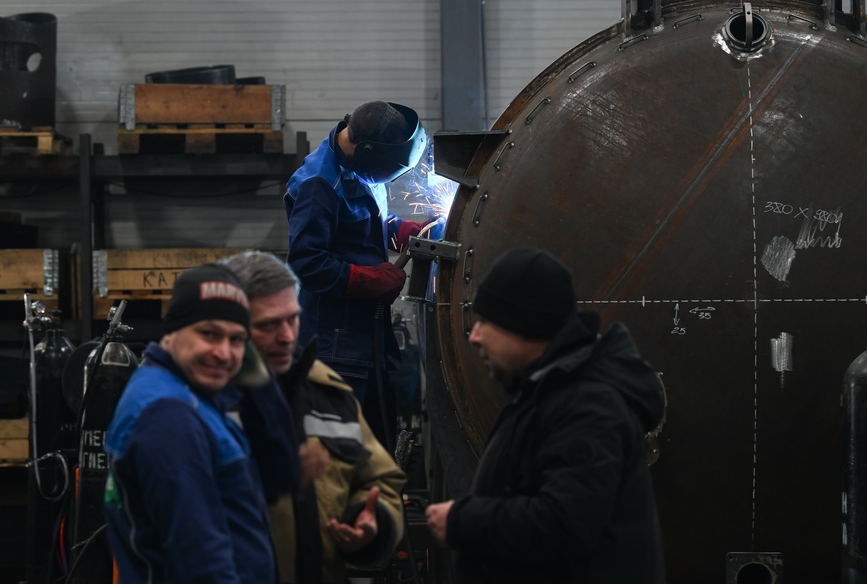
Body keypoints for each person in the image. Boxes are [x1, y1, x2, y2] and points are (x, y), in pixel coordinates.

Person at [424, 248, 667, 583]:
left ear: (523, 325)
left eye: (486, 322)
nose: (474, 336)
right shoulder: (550, 391)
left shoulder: (587, 405)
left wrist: (462, 521)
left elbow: (565, 522)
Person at [103, 263, 300, 584]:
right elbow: (200, 561)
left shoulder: (189, 394)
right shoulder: (170, 417)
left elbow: (279, 478)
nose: (223, 352)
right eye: (209, 333)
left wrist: (259, 383)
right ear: (173, 330)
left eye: (237, 340)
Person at [223, 250, 408, 584]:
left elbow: (380, 479)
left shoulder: (326, 392)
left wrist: (370, 519)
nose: (287, 336)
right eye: (268, 324)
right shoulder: (200, 401)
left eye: (292, 319)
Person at [283, 100, 436, 448]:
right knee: (344, 453)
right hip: (334, 347)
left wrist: (400, 231)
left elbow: (360, 222)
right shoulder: (319, 185)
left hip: (365, 340)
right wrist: (371, 281)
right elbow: (308, 263)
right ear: (370, 152)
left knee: (378, 444)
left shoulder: (359, 165)